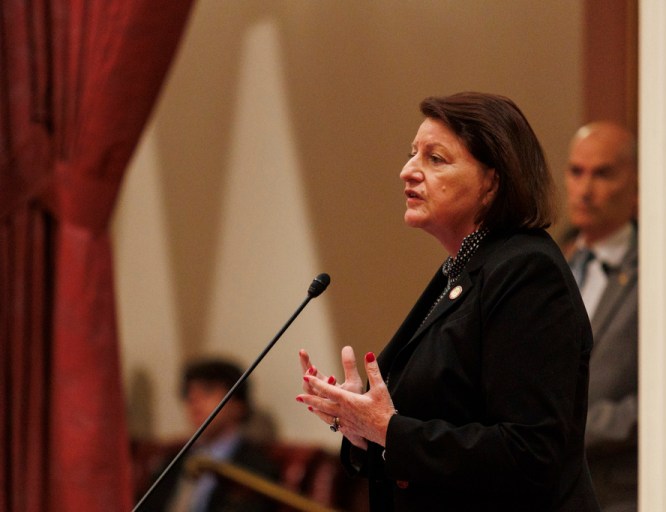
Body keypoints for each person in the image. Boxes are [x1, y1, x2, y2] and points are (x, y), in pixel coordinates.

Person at [296, 92, 600, 511]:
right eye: (412, 155)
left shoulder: (527, 272)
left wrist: (388, 430)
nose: (408, 171)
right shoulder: (464, 269)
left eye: (435, 159)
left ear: (493, 180)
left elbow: (529, 452)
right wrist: (358, 423)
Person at [563, 121, 638, 512]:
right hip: (551, 489)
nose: (585, 189)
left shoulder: (658, 273)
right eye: (576, 172)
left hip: (620, 491)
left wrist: (573, 426)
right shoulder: (554, 263)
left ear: (637, 183)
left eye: (603, 173)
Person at [140, 358, 279, 512]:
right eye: (188, 393)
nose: (194, 399)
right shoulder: (173, 459)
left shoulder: (255, 466)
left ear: (237, 404)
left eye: (207, 390)